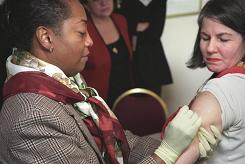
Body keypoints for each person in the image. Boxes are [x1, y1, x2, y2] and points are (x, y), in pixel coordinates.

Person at [0, 0, 206, 163]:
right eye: (81, 33)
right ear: (46, 38)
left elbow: (120, 144)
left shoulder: (64, 81)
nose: (90, 41)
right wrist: (166, 153)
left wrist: (180, 145)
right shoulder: (32, 115)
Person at [164, 0, 245, 163]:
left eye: (223, 39)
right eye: (205, 37)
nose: (210, 48)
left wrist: (167, 151)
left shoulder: (218, 91)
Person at [81, 0, 133, 107]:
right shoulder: (83, 28)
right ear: (86, 5)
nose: (103, 2)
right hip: (100, 100)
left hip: (127, 94)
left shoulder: (121, 20)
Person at [116, 0, 173, 95]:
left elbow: (155, 32)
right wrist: (136, 26)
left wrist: (133, 28)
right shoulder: (125, 2)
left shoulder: (159, 2)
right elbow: (121, 26)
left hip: (152, 61)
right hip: (129, 60)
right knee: (130, 102)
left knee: (153, 102)